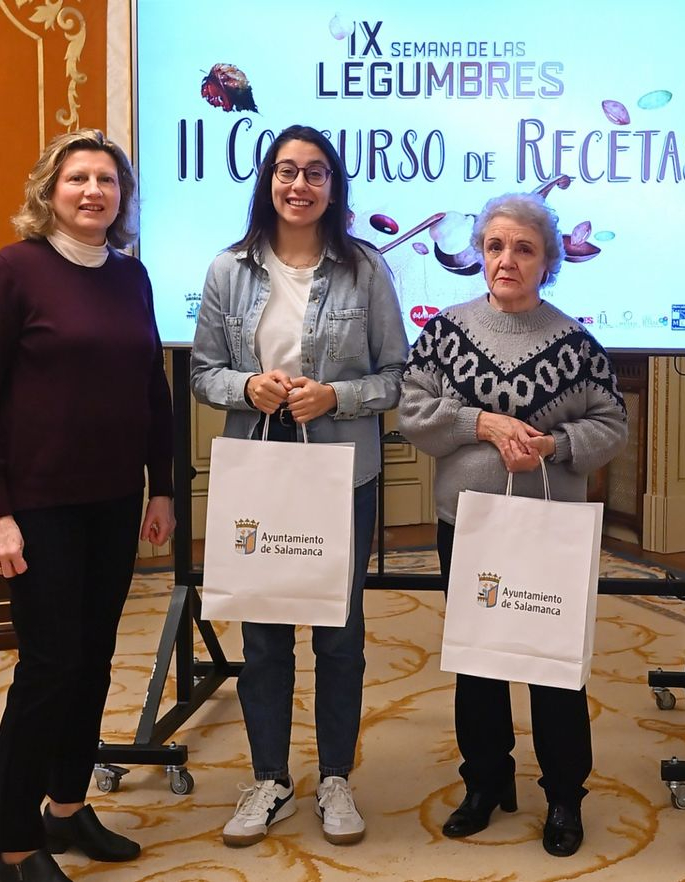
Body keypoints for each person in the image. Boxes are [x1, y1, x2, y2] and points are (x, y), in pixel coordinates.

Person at [0, 129, 175, 882]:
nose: (93, 192)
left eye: (107, 181)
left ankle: (67, 808)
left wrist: (165, 488)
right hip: (38, 506)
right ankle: (14, 848)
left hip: (113, 501)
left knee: (94, 663)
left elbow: (153, 389)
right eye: (77, 178)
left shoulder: (132, 277)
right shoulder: (12, 271)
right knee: (48, 669)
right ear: (49, 191)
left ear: (122, 197)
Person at [190, 124, 408, 848]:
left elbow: (397, 378)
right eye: (286, 171)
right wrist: (248, 384)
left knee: (339, 634)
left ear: (333, 186)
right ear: (268, 182)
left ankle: (336, 776)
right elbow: (202, 374)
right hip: (260, 463)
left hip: (340, 468)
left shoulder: (366, 269)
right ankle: (271, 777)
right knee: (264, 633)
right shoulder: (229, 270)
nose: (299, 185)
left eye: (315, 172)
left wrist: (336, 398)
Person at [397, 192, 627, 857]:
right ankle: (485, 782)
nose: (507, 260)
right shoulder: (444, 331)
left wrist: (554, 445)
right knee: (478, 661)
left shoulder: (578, 344)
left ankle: (563, 795)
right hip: (468, 523)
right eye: (495, 246)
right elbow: (415, 410)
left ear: (548, 260)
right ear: (478, 252)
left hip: (549, 528)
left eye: (524, 248)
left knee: (554, 666)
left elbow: (611, 425)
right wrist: (483, 423)